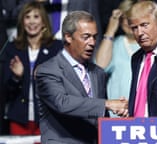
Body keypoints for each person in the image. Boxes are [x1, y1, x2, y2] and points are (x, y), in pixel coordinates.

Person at [35, 11, 128, 144]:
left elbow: (100, 116)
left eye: (95, 37)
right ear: (68, 37)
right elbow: (62, 103)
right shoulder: (48, 70)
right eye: (86, 37)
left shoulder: (98, 73)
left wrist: (119, 113)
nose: (92, 42)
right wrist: (107, 104)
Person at [2, 1, 63, 135]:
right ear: (22, 21)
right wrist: (16, 77)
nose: (31, 22)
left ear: (43, 21)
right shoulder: (12, 49)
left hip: (49, 120)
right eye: (27, 17)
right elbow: (5, 91)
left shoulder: (57, 48)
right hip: (19, 120)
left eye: (36, 17)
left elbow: (64, 86)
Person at [96, 0, 139, 117]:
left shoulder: (150, 45)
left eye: (132, 17)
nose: (128, 22)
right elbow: (100, 67)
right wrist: (110, 30)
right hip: (117, 116)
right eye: (124, 18)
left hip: (145, 116)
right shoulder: (115, 44)